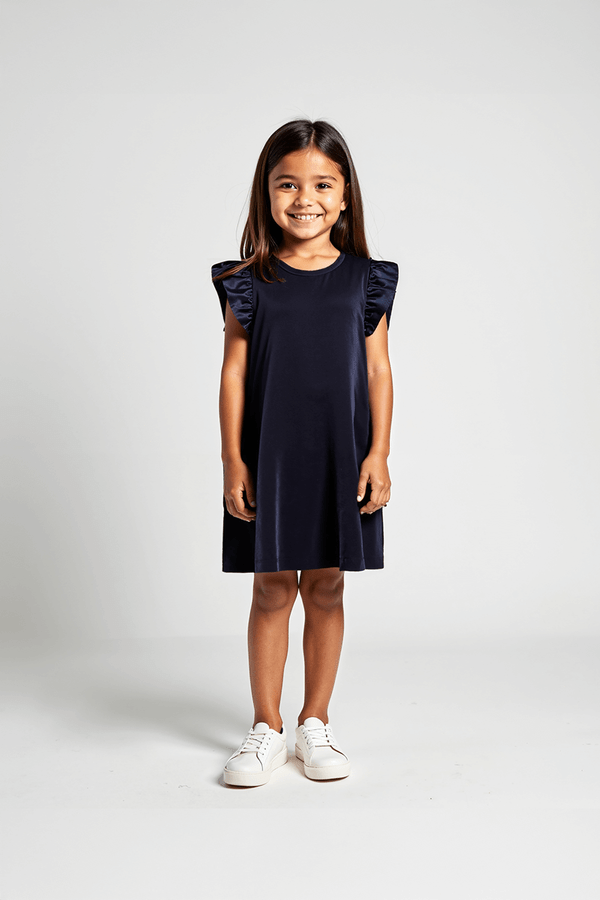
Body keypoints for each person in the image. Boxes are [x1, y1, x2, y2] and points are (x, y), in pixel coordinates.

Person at [211, 118, 398, 787]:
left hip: (339, 452)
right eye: (287, 184)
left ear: (345, 195)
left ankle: (314, 721)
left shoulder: (366, 280)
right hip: (270, 453)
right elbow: (234, 372)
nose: (304, 198)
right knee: (270, 588)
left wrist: (378, 453)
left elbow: (377, 370)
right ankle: (266, 727)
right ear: (266, 194)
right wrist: (233, 460)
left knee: (325, 584)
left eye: (322, 184)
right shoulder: (247, 280)